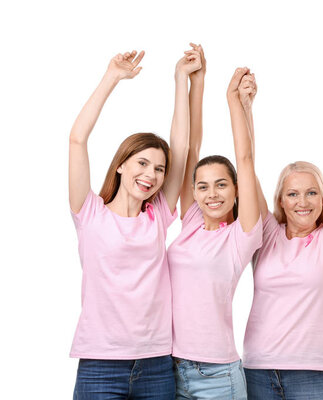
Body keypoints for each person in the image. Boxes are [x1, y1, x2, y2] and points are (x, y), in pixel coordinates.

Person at [69, 46, 202, 399]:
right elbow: (77, 139)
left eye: (159, 168)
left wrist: (180, 80)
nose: (151, 174)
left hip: (156, 363)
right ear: (121, 165)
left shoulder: (157, 215)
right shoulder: (90, 212)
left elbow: (182, 145)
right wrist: (111, 77)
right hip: (100, 364)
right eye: (142, 163)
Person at [241, 73, 323, 400]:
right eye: (293, 194)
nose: (302, 201)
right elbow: (246, 166)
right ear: (280, 200)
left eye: (312, 192)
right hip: (259, 371)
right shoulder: (267, 233)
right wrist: (244, 108)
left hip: (316, 374)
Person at [167, 43, 262, 400]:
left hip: (219, 376)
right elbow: (189, 149)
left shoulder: (242, 235)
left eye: (221, 185)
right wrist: (197, 81)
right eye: (203, 186)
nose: (212, 194)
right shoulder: (190, 221)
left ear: (237, 191)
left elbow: (247, 159)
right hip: (169, 368)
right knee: (190, 154)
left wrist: (235, 103)